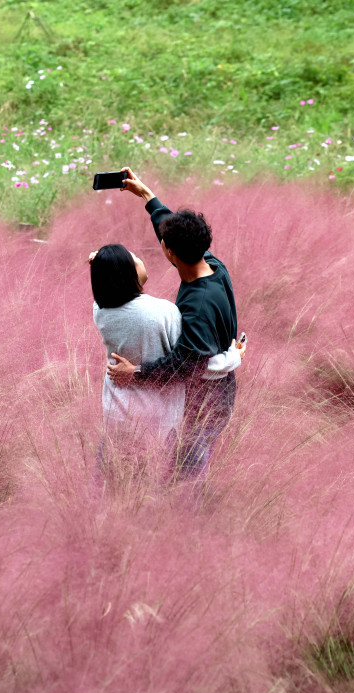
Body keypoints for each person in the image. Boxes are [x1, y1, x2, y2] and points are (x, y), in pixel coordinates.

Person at [106, 168, 240, 484]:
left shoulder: (197, 306)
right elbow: (177, 237)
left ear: (169, 252)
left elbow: (186, 365)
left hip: (205, 402)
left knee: (185, 477)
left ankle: (187, 511)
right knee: (181, 467)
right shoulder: (212, 265)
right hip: (218, 390)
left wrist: (135, 373)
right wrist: (146, 196)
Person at [91, 244, 241, 481]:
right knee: (155, 483)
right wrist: (233, 356)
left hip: (116, 410)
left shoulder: (101, 310)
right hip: (156, 416)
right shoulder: (163, 313)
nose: (140, 259)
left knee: (113, 479)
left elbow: (106, 281)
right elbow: (191, 363)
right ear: (129, 272)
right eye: (135, 258)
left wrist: (100, 263)